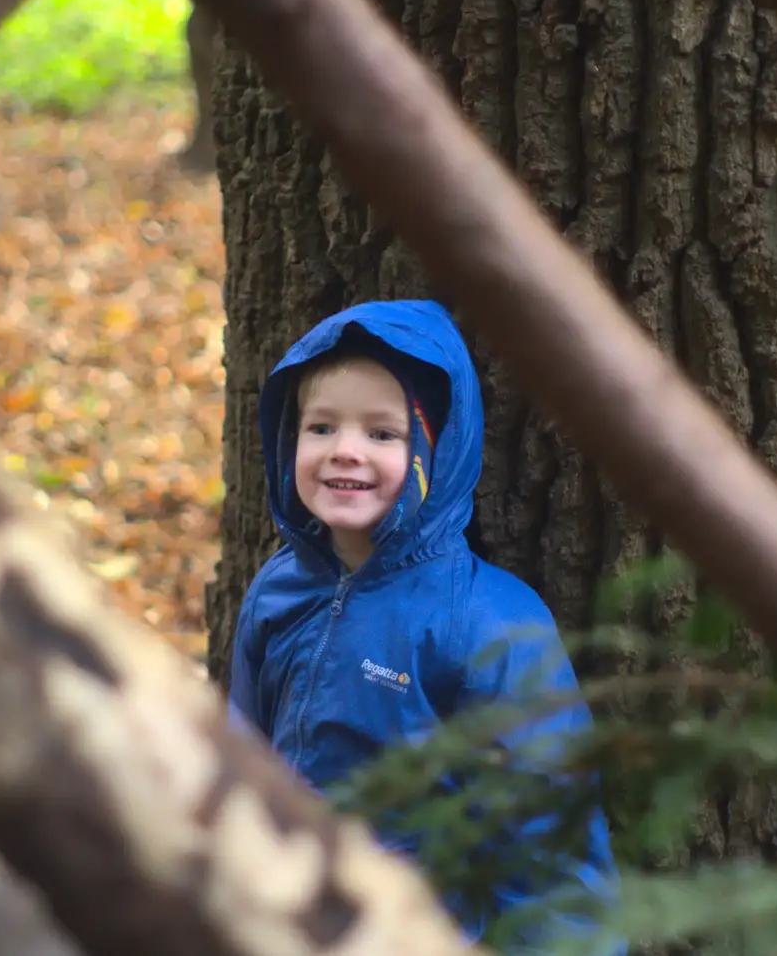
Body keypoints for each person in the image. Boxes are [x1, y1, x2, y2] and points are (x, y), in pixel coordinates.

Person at [227, 298, 626, 954]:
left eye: (383, 434)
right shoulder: (278, 589)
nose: (344, 452)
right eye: (321, 426)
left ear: (438, 454)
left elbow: (551, 847)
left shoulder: (486, 621)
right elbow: (243, 758)